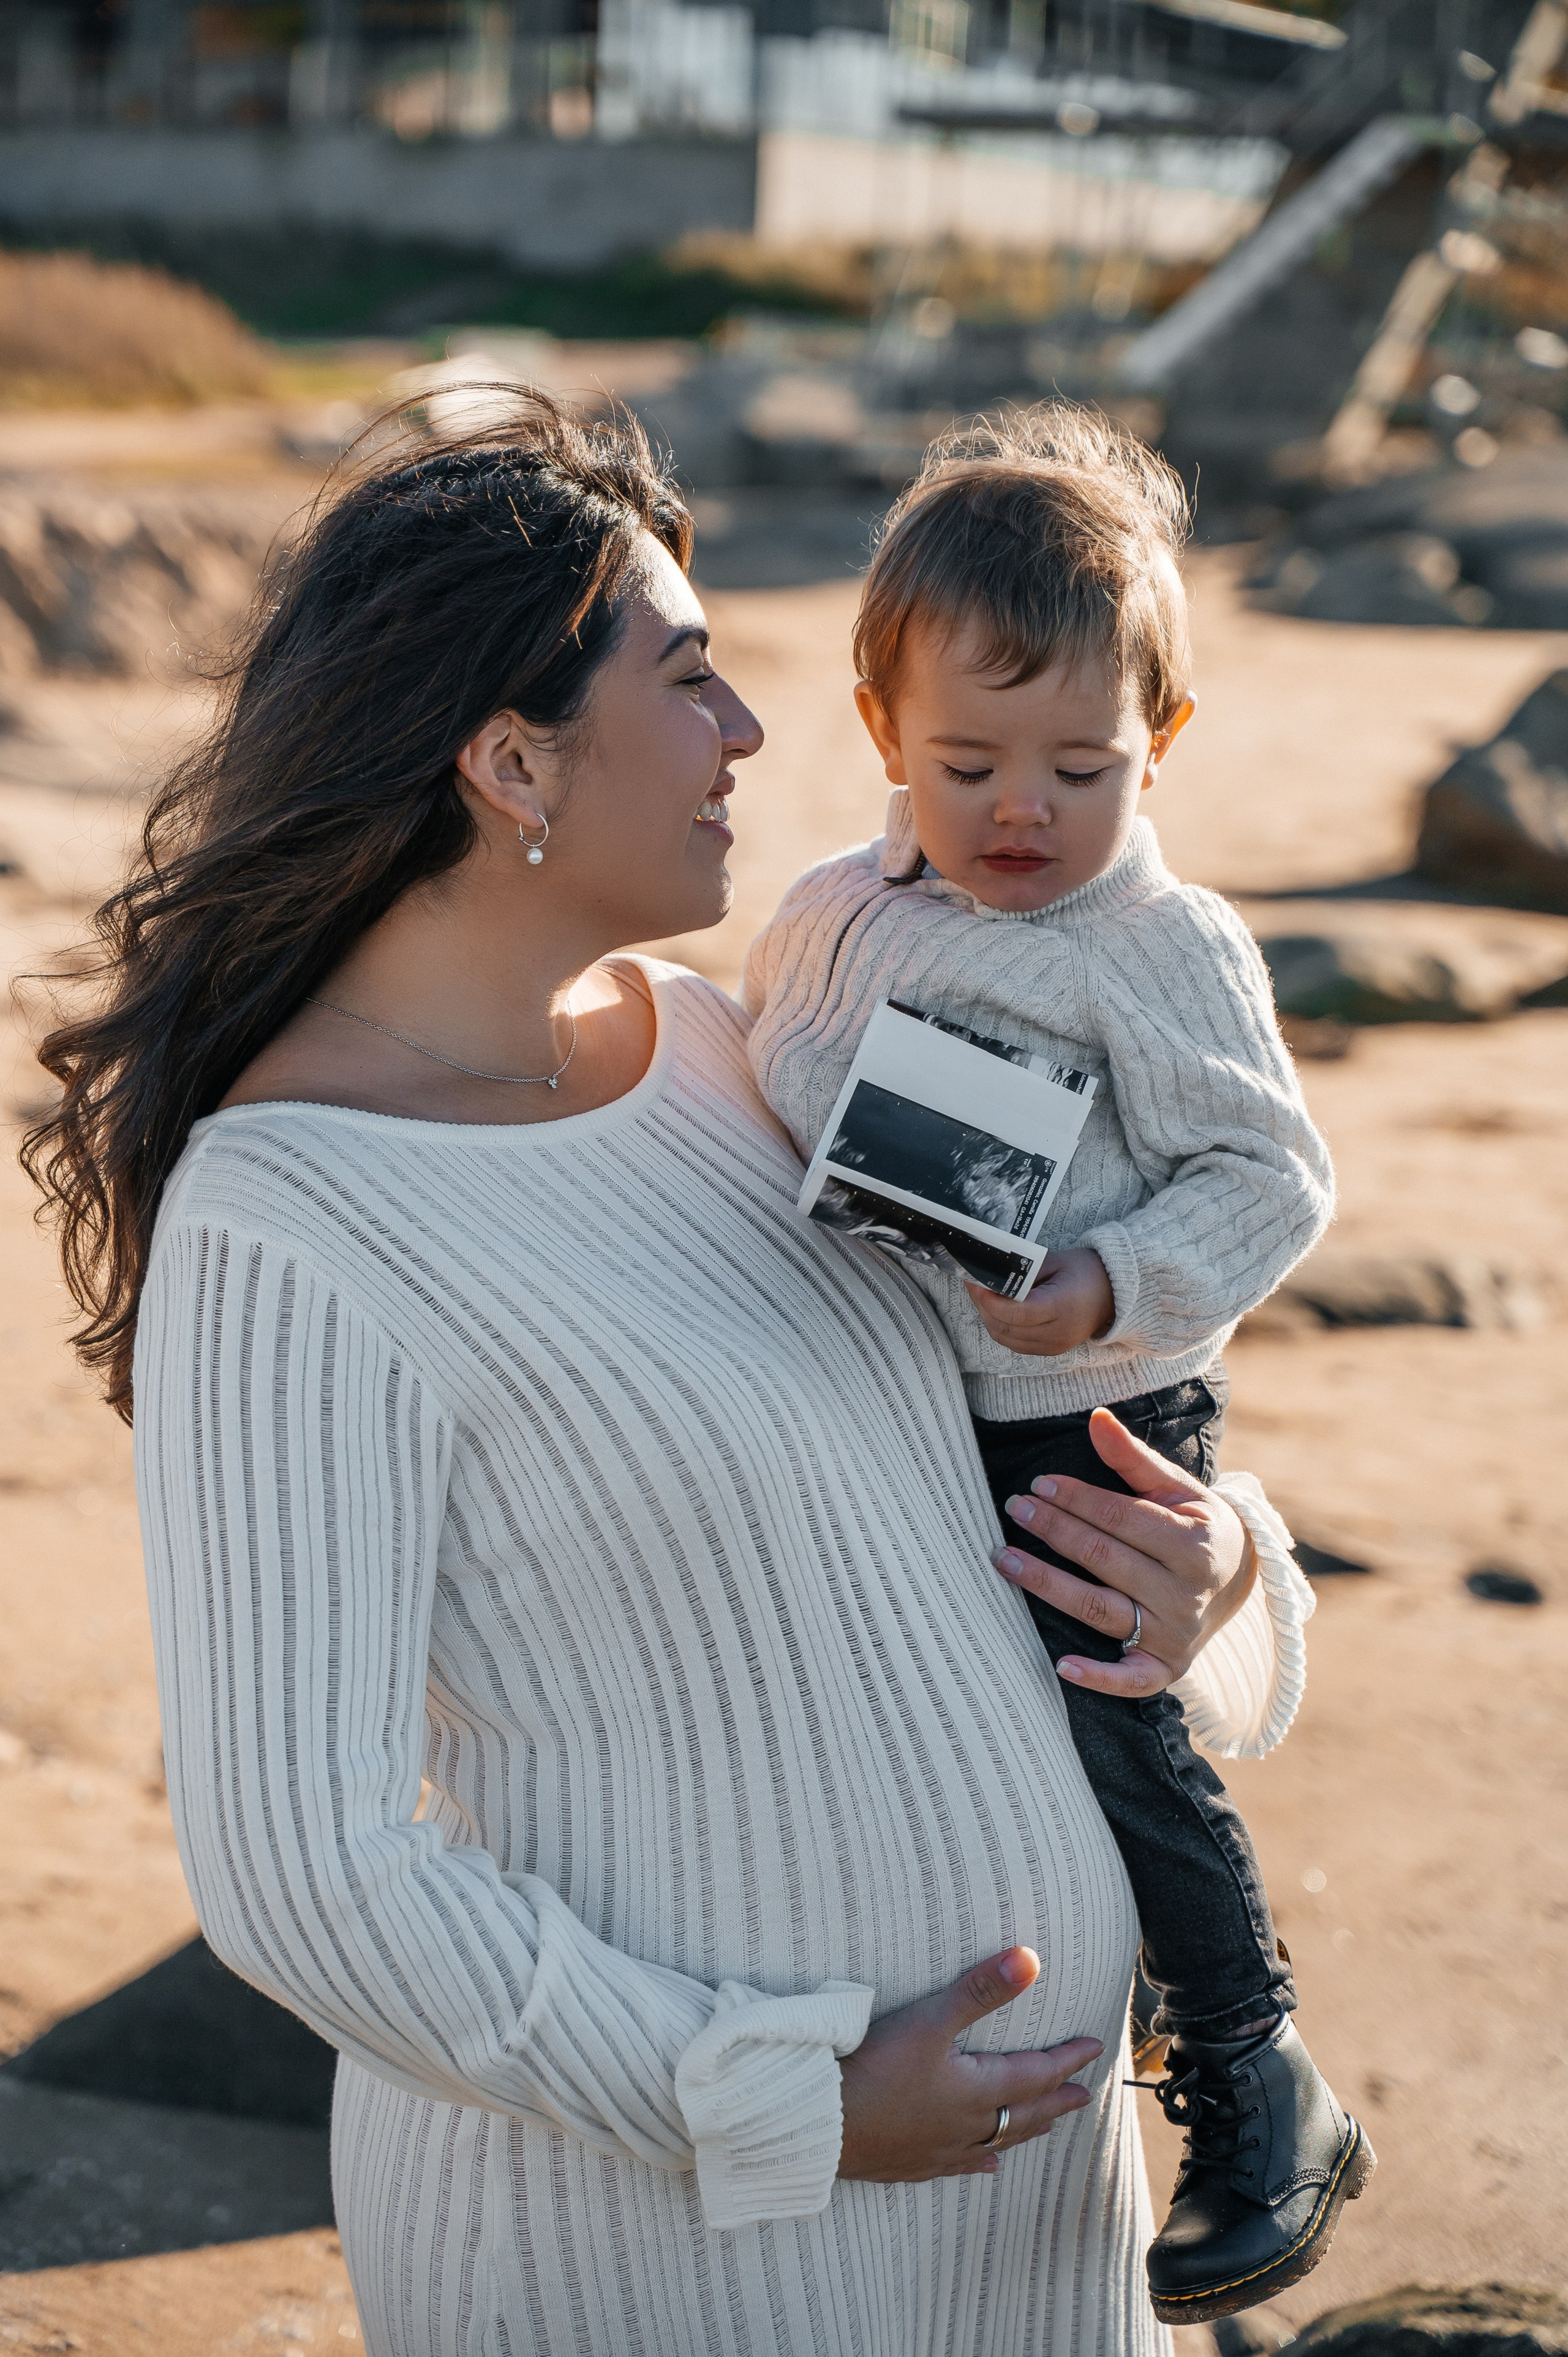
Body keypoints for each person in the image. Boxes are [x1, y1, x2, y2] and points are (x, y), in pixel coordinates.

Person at [24, 394, 1314, 2357]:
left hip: (1034, 2234)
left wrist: (1213, 1587)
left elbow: (1038, 1428)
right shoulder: (288, 1224)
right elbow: (307, 1871)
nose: (756, 733)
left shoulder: (755, 1048)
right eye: (692, 675)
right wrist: (782, 2098)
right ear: (512, 757)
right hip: (670, 2246)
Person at [745, 406, 1374, 2325]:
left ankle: (1258, 2067)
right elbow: (773, 1083)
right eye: (971, 765)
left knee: (1109, 1721)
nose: (1023, 810)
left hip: (1089, 1409)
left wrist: (1108, 1279)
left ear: (1159, 742)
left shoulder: (1153, 944)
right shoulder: (839, 908)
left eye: (1082, 768)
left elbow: (1273, 1175)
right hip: (912, 1413)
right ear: (883, 732)